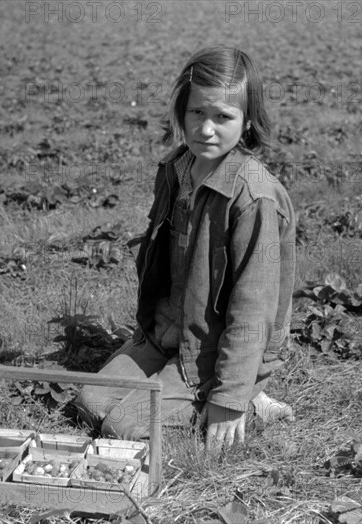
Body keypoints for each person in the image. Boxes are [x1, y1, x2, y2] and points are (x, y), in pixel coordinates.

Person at [74, 46, 296, 451]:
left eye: (223, 117)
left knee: (121, 428)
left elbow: (254, 307)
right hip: (167, 334)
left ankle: (246, 399)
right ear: (182, 111)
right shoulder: (177, 170)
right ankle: (174, 376)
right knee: (90, 404)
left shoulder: (253, 198)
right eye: (197, 113)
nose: (206, 129)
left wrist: (227, 400)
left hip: (212, 353)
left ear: (247, 123)